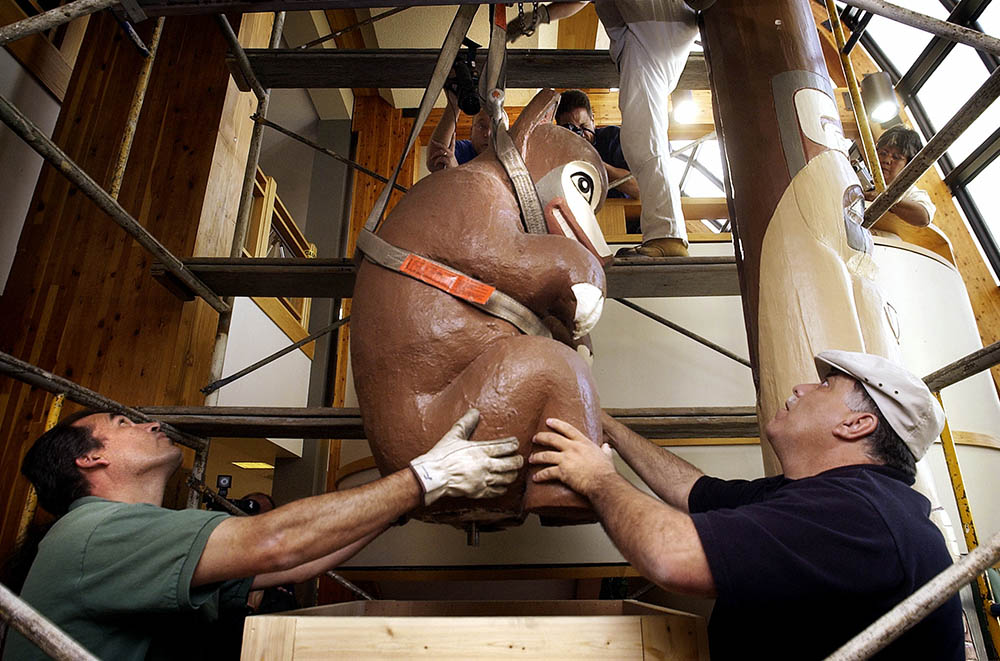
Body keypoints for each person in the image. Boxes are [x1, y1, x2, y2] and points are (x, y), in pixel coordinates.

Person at [530, 350, 963, 660]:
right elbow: (692, 490)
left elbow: (672, 558)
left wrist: (597, 477)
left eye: (826, 384)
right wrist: (607, 426)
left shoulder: (860, 517)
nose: (801, 387)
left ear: (856, 424)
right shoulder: (822, 494)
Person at [4, 408, 521, 660]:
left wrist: (409, 502)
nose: (148, 423)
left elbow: (292, 564)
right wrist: (424, 477)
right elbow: (274, 541)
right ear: (92, 457)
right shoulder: (94, 532)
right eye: (123, 423)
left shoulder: (124, 535)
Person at [509, 0, 700, 258]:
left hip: (656, 32)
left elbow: (635, 184)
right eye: (569, 127)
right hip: (647, 38)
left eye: (583, 126)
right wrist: (539, 16)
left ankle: (668, 235)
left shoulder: (610, 138)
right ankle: (667, 234)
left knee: (642, 140)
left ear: (594, 121)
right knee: (642, 136)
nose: (578, 133)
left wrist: (540, 16)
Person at [554, 89, 641, 200]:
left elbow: (637, 189)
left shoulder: (613, 138)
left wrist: (592, 162)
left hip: (619, 210)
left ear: (592, 120)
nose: (580, 135)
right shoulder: (557, 151)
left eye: (583, 126)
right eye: (570, 129)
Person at [867, 125, 936, 228]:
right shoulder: (860, 175)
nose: (886, 160)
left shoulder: (909, 192)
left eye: (896, 157)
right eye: (883, 153)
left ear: (908, 165)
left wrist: (884, 199)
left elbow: (924, 218)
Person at [425, 90, 493, 172]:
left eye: (494, 128)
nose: (487, 134)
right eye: (481, 126)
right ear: (471, 132)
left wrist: (455, 170)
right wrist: (454, 105)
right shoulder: (463, 149)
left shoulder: (507, 157)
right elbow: (435, 163)